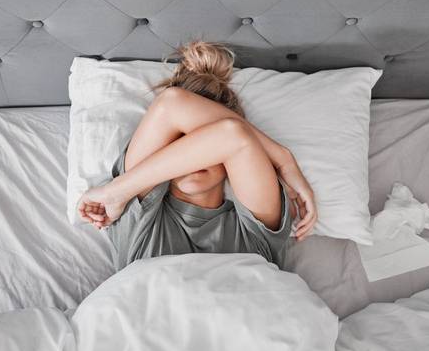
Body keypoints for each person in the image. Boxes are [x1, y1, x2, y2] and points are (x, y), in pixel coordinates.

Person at [77, 41, 318, 269]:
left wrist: (117, 190)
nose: (192, 159)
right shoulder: (136, 216)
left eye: (204, 147)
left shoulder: (253, 227)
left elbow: (234, 137)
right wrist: (283, 159)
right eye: (181, 145)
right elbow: (172, 106)